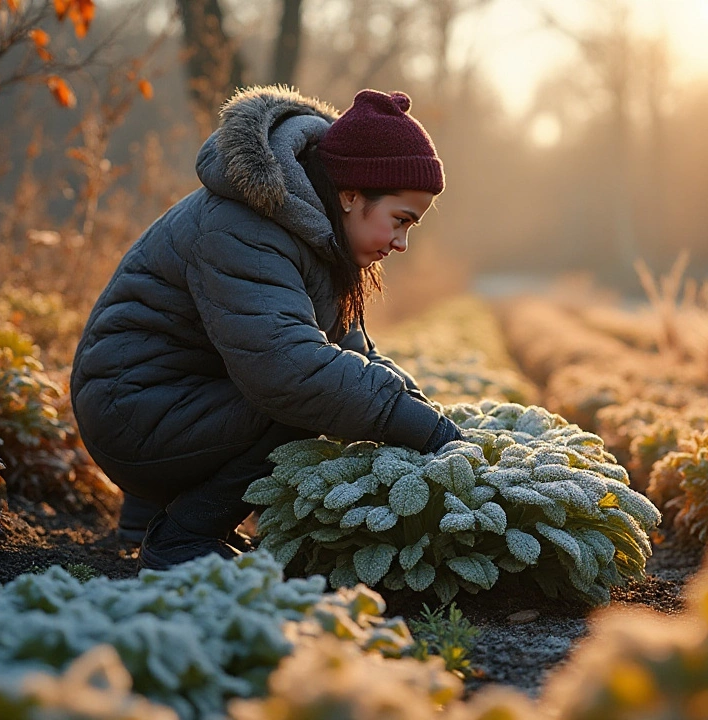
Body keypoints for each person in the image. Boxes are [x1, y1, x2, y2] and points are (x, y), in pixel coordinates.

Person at [70, 86, 463, 571]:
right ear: (351, 194)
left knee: (334, 385)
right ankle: (182, 537)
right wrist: (432, 434)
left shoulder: (310, 228)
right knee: (305, 398)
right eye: (399, 221)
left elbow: (354, 353)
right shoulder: (247, 227)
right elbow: (291, 370)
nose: (401, 243)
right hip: (128, 413)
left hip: (163, 402)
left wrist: (435, 422)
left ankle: (148, 516)